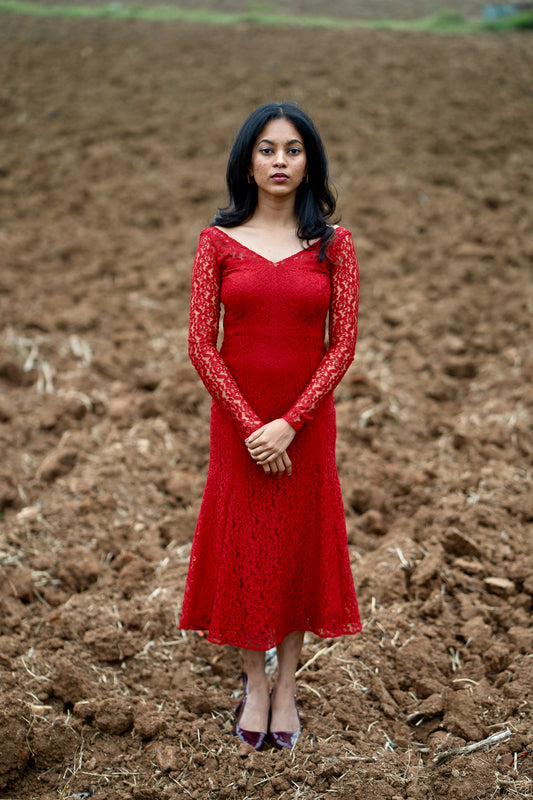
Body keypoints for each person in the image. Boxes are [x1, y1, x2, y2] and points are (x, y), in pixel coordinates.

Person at [179, 101, 361, 751]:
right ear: (247, 163)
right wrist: (252, 424)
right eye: (266, 149)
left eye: (291, 149)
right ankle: (253, 684)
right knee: (244, 544)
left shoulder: (334, 246)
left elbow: (342, 346)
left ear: (308, 162)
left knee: (293, 547)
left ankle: (286, 689)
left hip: (305, 424)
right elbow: (202, 344)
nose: (278, 161)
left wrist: (290, 423)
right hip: (238, 425)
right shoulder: (216, 242)